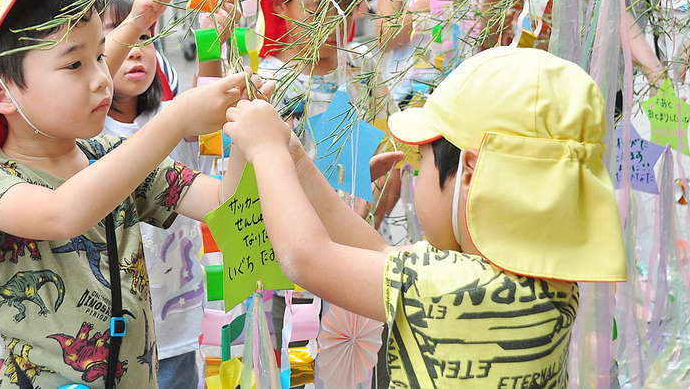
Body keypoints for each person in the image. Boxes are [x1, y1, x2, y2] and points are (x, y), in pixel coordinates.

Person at [0, 0, 262, 389]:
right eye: (74, 63)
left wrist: (246, 127)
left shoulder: (111, 156)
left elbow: (225, 203)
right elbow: (64, 213)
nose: (100, 79)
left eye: (99, 55)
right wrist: (175, 122)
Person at [223, 47, 628, 386]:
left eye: (423, 161)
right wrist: (296, 159)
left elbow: (308, 258)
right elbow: (377, 250)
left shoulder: (443, 288)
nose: (415, 170)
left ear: (469, 173)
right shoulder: (546, 282)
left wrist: (266, 151)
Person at [84, 0, 212, 389]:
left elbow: (209, 105)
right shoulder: (85, 135)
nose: (135, 50)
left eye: (145, 37)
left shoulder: (175, 116)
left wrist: (213, 36)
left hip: (174, 323)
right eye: (118, 38)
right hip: (111, 328)